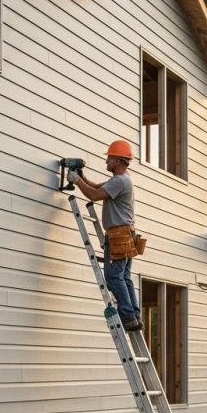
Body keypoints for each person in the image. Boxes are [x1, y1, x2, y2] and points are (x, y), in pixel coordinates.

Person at [68, 140, 142, 332]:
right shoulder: (122, 179)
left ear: (118, 160)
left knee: (113, 276)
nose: (106, 162)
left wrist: (76, 181)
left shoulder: (120, 181)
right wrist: (82, 177)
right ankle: (134, 315)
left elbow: (93, 194)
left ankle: (127, 315)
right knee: (124, 277)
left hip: (119, 235)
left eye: (109, 158)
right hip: (125, 233)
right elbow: (95, 186)